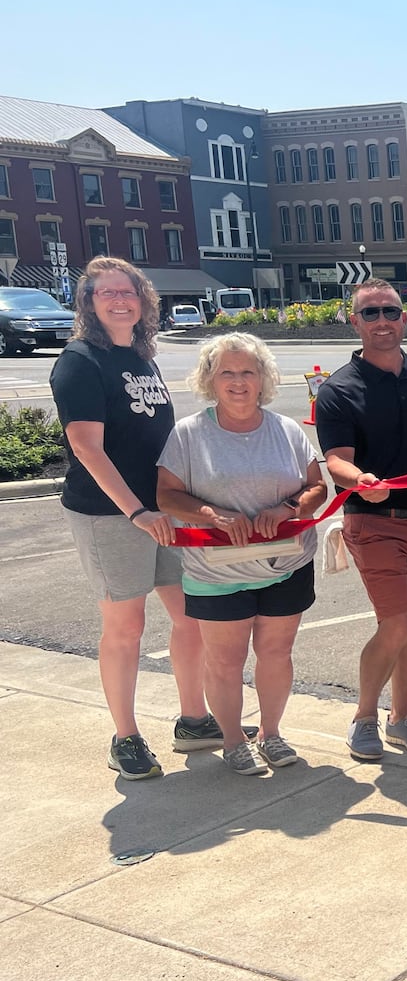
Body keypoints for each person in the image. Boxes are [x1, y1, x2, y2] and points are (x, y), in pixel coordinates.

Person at [50, 257, 220, 780]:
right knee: (126, 627)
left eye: (128, 292)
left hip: (161, 512)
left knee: (190, 617)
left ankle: (193, 720)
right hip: (111, 515)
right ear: (89, 304)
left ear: (144, 300)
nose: (119, 300)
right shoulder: (81, 361)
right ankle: (125, 736)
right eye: (106, 294)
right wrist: (138, 511)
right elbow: (88, 448)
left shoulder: (140, 358)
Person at [155, 334, 327, 775]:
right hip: (217, 571)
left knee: (276, 653)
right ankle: (234, 740)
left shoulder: (286, 430)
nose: (238, 381)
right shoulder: (189, 434)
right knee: (225, 661)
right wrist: (210, 513)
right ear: (210, 379)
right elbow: (167, 496)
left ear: (263, 378)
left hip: (286, 565)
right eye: (227, 372)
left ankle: (271, 732)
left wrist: (287, 508)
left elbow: (316, 488)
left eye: (247, 372)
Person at [315, 278, 407, 761]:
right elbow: (335, 460)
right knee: (396, 620)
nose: (382, 321)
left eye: (390, 311)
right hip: (373, 521)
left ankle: (400, 719)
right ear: (353, 322)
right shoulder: (339, 389)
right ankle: (363, 718)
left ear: (405, 318)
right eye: (371, 313)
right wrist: (360, 478)